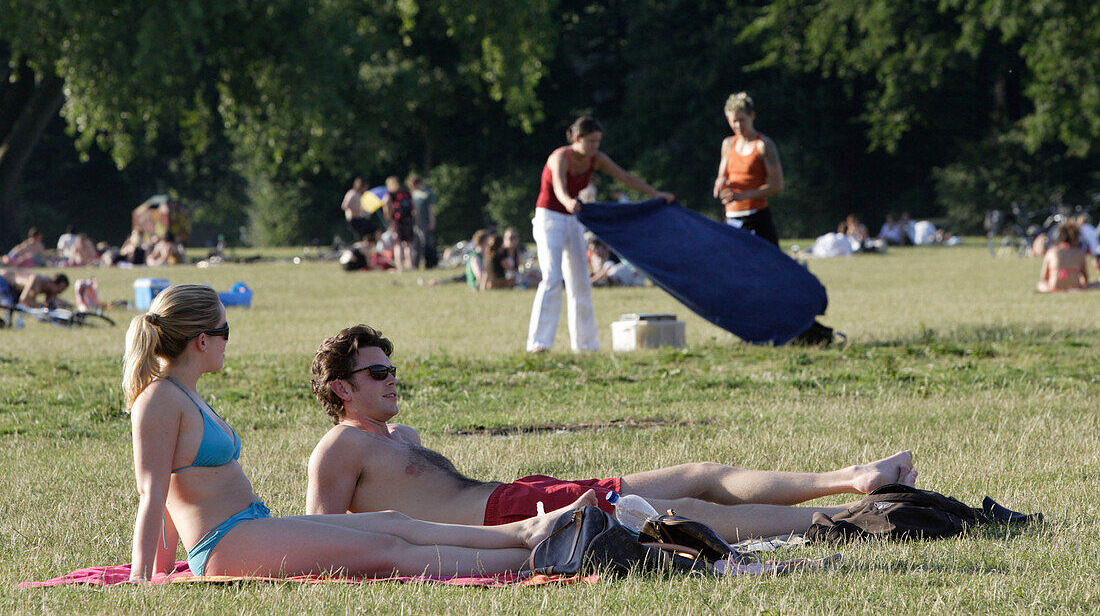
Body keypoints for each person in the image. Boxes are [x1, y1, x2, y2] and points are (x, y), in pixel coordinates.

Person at [123, 285, 585, 583]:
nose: (228, 339)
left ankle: (531, 530)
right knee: (388, 551)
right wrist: (143, 580)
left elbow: (169, 497)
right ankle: (544, 558)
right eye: (225, 329)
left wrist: (162, 568)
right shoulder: (159, 399)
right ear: (202, 339)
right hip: (223, 543)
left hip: (249, 529)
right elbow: (153, 494)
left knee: (393, 523)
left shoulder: (185, 395)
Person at [307, 325, 919, 542]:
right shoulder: (340, 447)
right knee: (674, 510)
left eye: (392, 369)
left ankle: (852, 478)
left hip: (522, 494)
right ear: (342, 388)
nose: (392, 380)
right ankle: (849, 517)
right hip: (507, 518)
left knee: (698, 473)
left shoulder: (401, 435)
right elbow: (319, 536)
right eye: (377, 372)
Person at [527, 116, 674, 352]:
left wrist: (656, 193)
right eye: (591, 141)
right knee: (552, 278)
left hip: (573, 219)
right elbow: (558, 187)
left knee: (581, 283)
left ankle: (586, 345)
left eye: (598, 142)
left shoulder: (597, 159)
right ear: (577, 138)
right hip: (549, 219)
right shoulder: (560, 157)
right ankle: (539, 344)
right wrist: (568, 202)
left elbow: (625, 178)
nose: (595, 146)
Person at [713, 93, 784, 246]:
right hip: (732, 218)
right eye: (734, 121)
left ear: (752, 116)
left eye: (742, 120)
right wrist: (719, 182)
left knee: (768, 267)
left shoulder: (763, 145)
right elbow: (723, 176)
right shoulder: (728, 144)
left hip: (757, 218)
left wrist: (743, 196)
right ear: (728, 120)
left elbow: (777, 186)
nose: (738, 126)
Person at [1036, 223, 1097, 292]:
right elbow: (1085, 278)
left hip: (1054, 288)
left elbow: (1044, 278)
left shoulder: (1051, 252)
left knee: (1040, 284)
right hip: (1075, 287)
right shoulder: (1079, 254)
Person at [382, 176, 416, 272]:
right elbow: (413, 206)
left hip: (397, 222)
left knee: (398, 244)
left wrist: (388, 215)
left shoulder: (391, 194)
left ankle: (400, 266)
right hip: (408, 220)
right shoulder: (406, 192)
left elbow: (386, 203)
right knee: (409, 244)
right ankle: (411, 265)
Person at [408, 173, 437, 269]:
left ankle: (430, 263)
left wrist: (432, 222)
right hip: (416, 223)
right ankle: (415, 264)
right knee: (416, 244)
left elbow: (431, 209)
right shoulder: (414, 194)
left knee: (426, 243)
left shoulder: (428, 193)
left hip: (426, 222)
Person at [0, 269, 69, 307]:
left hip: (14, 288)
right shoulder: (36, 280)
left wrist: (67, 304)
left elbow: (51, 301)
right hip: (3, 279)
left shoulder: (48, 287)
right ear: (53, 284)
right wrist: (40, 306)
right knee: (8, 305)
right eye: (60, 289)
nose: (59, 292)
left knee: (13, 305)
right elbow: (24, 299)